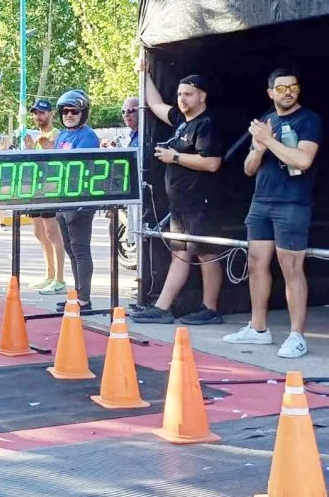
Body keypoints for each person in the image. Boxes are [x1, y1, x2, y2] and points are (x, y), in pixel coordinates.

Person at [223, 68, 322, 358]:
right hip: (261, 200)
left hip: (293, 202)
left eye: (292, 87)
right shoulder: (267, 121)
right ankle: (258, 328)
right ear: (270, 93)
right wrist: (257, 148)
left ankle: (296, 336)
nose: (287, 92)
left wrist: (269, 141)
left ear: (298, 90)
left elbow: (302, 160)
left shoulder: (309, 120)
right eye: (281, 88)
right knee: (256, 263)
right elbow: (248, 169)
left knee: (291, 267)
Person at [130, 71, 224, 325]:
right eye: (180, 94)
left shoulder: (206, 124)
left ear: (202, 96)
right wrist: (144, 72)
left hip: (200, 202)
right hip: (179, 204)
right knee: (180, 254)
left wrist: (176, 158)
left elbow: (213, 163)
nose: (182, 99)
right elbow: (156, 104)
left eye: (188, 94)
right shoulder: (181, 120)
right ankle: (163, 307)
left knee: (207, 253)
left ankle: (210, 308)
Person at [53, 90, 100, 311]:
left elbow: (77, 166)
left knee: (80, 250)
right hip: (62, 200)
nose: (69, 115)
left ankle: (84, 299)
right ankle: (77, 294)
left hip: (80, 202)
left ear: (83, 113)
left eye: (74, 111)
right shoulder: (62, 136)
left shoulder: (88, 136)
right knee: (70, 249)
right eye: (65, 111)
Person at [23, 99, 67, 295]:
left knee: (52, 234)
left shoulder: (57, 135)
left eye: (41, 113)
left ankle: (59, 278)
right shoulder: (38, 136)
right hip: (37, 189)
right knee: (39, 234)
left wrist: (49, 148)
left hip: (50, 189)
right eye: (35, 113)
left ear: (50, 114)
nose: (37, 117)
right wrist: (31, 151)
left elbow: (58, 161)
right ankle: (49, 274)